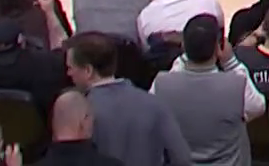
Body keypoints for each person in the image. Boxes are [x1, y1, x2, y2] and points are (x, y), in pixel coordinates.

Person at [150, 13, 268, 165]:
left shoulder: (161, 84)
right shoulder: (237, 84)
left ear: (183, 46)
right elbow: (258, 106)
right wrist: (231, 62)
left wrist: (183, 58)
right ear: (219, 48)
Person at [67, 32, 192, 166]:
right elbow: (181, 158)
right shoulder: (154, 104)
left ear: (88, 70)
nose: (68, 73)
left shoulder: (81, 114)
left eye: (70, 67)